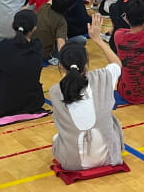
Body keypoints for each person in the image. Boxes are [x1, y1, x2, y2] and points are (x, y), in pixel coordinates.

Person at [50, 15, 125, 171]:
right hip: (110, 157)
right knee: (112, 122)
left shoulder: (56, 91)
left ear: (61, 67)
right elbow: (117, 63)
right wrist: (97, 39)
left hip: (73, 162)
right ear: (86, 62)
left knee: (57, 138)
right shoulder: (102, 77)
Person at [0, 10, 46, 120]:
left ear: (12, 25)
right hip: (32, 103)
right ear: (34, 28)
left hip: (3, 106)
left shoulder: (0, 48)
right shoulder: (38, 47)